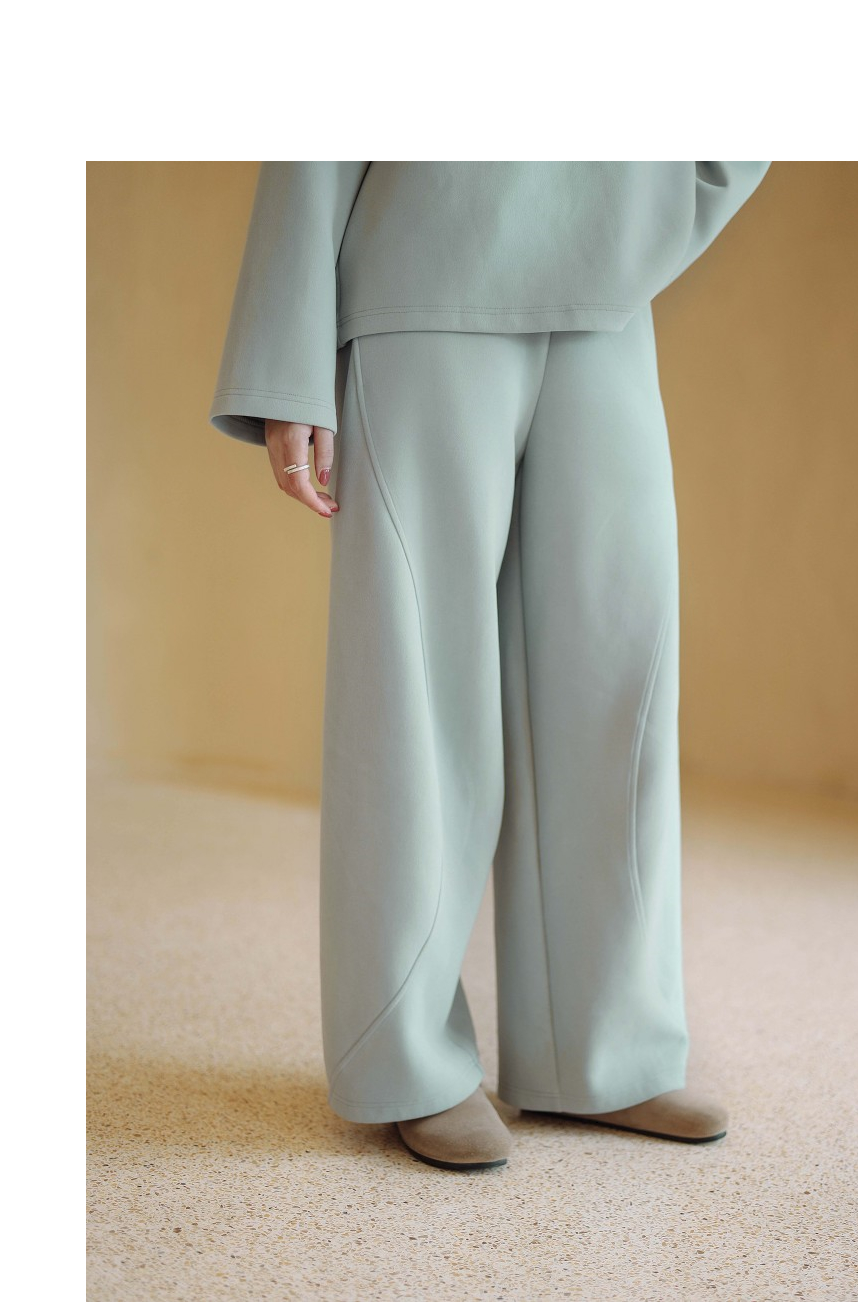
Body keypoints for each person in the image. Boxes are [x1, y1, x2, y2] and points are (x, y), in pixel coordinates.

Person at [210, 161, 771, 1171]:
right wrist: (286, 362)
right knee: (415, 687)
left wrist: (666, 204)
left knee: (617, 673)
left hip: (610, 294)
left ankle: (606, 1052)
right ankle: (408, 1062)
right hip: (419, 274)